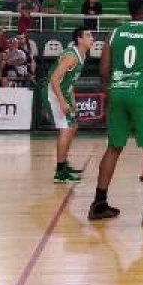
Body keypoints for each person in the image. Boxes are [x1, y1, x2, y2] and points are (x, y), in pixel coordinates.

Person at [89, 0, 143, 226]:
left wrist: (113, 90)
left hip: (118, 91)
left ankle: (98, 203)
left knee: (114, 147)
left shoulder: (114, 33)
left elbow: (104, 70)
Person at [45, 27, 93, 183]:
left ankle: (64, 164)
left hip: (63, 92)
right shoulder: (71, 56)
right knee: (66, 129)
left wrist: (72, 100)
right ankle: (60, 172)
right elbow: (54, 80)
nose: (92, 38)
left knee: (73, 127)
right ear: (79, 39)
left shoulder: (82, 55)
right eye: (88, 35)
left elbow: (69, 81)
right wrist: (62, 101)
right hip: (53, 92)